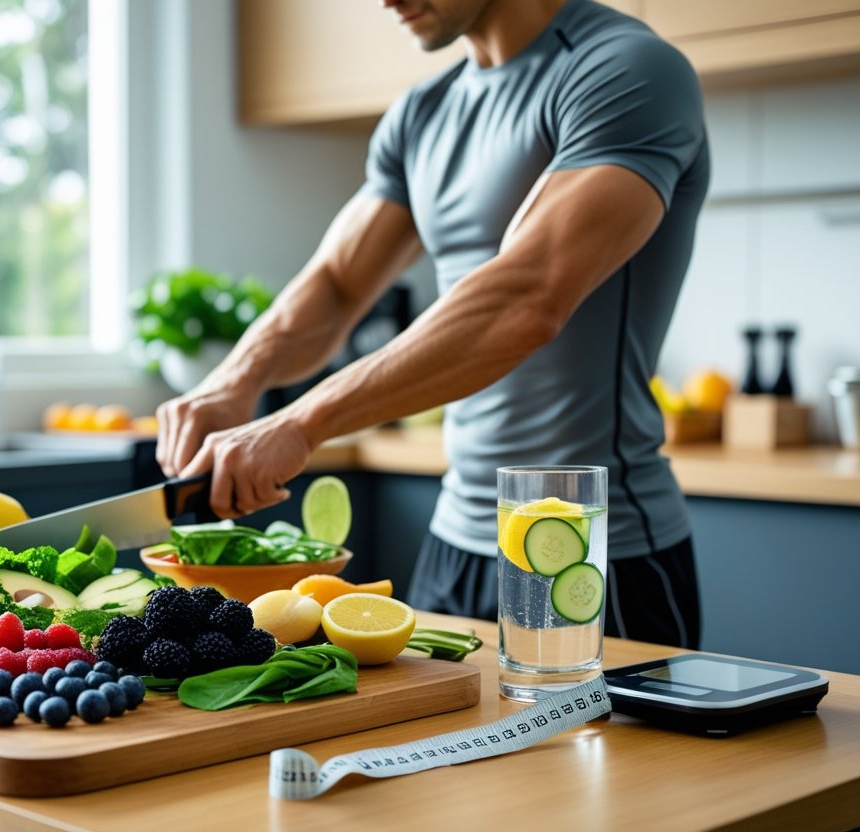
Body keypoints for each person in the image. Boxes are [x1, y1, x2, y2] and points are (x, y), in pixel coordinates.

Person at [155, 0, 708, 649]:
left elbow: (528, 297)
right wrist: (234, 383)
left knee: (606, 757)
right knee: (437, 751)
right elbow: (336, 283)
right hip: (453, 540)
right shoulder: (423, 113)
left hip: (588, 550)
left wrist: (299, 422)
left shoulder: (626, 68)